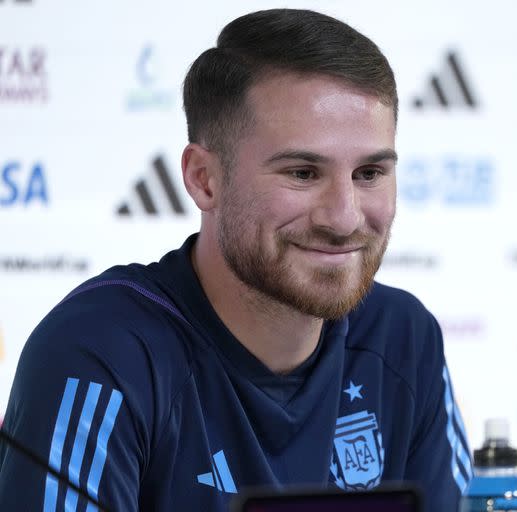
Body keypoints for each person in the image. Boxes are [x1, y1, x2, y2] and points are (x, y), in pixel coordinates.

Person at [0, 8, 472, 512]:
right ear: (204, 179)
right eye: (302, 173)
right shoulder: (100, 353)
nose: (343, 217)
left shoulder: (403, 338)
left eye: (370, 173)